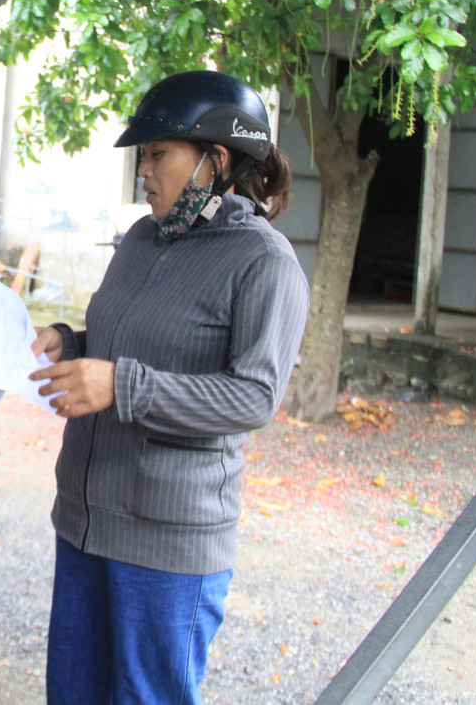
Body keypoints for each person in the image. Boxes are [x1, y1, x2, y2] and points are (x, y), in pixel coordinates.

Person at [28, 70, 310, 705]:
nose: (143, 173)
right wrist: (68, 343)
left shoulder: (264, 263)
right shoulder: (140, 239)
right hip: (83, 524)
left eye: (158, 154)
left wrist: (121, 385)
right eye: (142, 157)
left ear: (216, 160)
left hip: (169, 544)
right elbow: (120, 343)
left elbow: (254, 398)